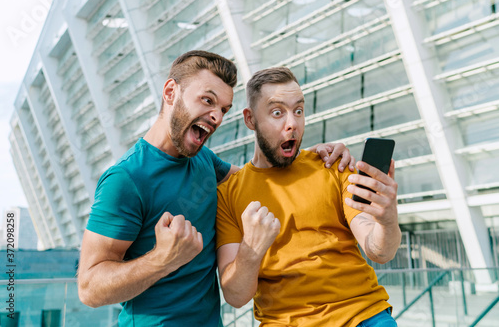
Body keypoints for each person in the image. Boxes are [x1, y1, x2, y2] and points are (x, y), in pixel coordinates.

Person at [77, 51, 354, 326]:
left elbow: (256, 176)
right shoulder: (126, 178)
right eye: (207, 101)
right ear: (171, 92)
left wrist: (310, 158)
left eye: (223, 109)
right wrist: (161, 260)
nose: (217, 118)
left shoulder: (203, 159)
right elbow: (89, 288)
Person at [216, 67, 401, 327]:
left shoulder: (333, 166)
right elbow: (235, 296)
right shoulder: (228, 194)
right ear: (250, 119)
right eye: (277, 112)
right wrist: (251, 250)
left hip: (363, 314)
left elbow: (378, 251)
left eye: (298, 111)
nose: (292, 123)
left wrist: (388, 219)